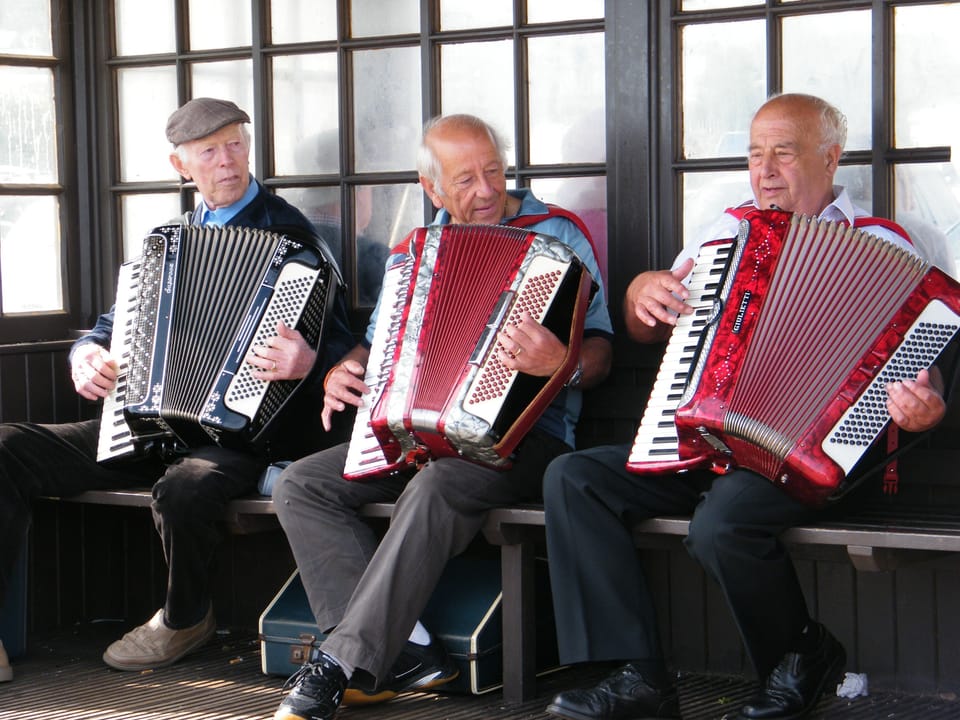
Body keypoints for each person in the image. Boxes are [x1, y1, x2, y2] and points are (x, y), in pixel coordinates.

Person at [542, 93, 950, 720]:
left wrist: (926, 405)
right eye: (756, 155)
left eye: (783, 153)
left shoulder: (887, 243)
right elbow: (648, 324)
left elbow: (926, 361)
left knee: (721, 523)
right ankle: (638, 676)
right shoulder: (723, 232)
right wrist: (640, 292)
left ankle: (800, 653)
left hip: (819, 454)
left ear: (830, 158)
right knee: (575, 477)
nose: (765, 170)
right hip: (707, 441)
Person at [271, 113, 614, 720]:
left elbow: (602, 351)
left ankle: (340, 663)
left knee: (435, 484)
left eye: (494, 172)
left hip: (525, 438)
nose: (486, 190)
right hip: (419, 433)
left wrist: (561, 364)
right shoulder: (415, 251)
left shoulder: (558, 234)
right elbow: (377, 346)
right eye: (465, 180)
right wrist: (342, 371)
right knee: (302, 484)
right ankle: (402, 654)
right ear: (431, 189)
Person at [0, 97, 354, 678]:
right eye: (209, 151)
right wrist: (85, 354)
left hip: (243, 436)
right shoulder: (166, 239)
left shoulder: (294, 238)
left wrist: (311, 361)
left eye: (235, 144)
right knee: (8, 447)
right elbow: (112, 325)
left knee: (186, 488)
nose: (227, 160)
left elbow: (345, 344)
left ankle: (184, 617)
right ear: (180, 165)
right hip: (146, 424)